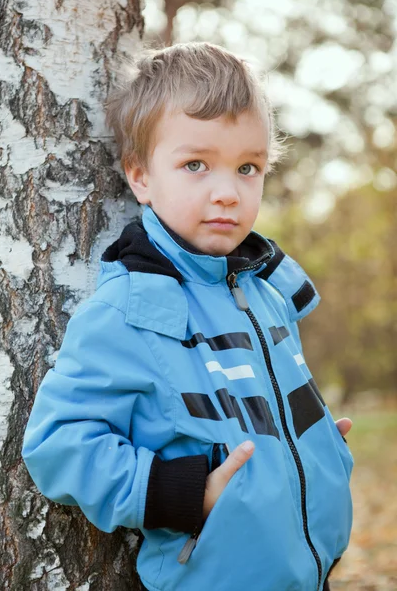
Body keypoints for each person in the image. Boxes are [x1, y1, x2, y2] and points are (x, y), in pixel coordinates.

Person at [21, 42, 354, 591]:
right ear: (141, 176)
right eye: (195, 164)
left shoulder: (265, 289)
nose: (227, 192)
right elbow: (58, 442)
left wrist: (319, 448)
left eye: (249, 167)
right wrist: (183, 494)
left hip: (309, 570)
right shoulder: (129, 308)